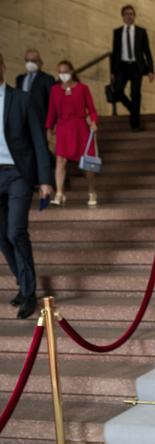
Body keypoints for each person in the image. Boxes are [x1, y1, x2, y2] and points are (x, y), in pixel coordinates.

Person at [0, 52, 54, 319]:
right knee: (2, 236)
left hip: (18, 174)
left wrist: (45, 179)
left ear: (2, 66)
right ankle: (22, 283)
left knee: (16, 231)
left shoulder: (21, 99)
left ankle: (30, 291)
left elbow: (38, 140)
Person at [45, 61, 99, 207]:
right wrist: (49, 129)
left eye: (65, 71)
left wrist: (93, 122)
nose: (63, 75)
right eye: (60, 72)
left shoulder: (83, 88)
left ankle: (92, 190)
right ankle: (60, 193)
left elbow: (92, 110)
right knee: (60, 161)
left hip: (80, 128)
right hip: (63, 128)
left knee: (86, 164)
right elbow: (51, 112)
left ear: (72, 71)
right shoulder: (55, 90)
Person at [110, 4, 154, 131]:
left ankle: (135, 124)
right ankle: (133, 110)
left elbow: (147, 52)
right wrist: (112, 71)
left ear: (134, 16)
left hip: (136, 66)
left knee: (135, 94)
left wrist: (150, 70)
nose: (129, 16)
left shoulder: (141, 31)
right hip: (122, 66)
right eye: (126, 14)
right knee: (117, 91)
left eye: (131, 14)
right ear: (122, 17)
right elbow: (115, 52)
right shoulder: (117, 32)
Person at [16, 49, 56, 132]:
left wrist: (51, 125)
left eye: (33, 60)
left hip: (41, 122)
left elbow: (53, 103)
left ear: (40, 62)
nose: (29, 63)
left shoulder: (47, 79)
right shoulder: (20, 79)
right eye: (27, 60)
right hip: (23, 121)